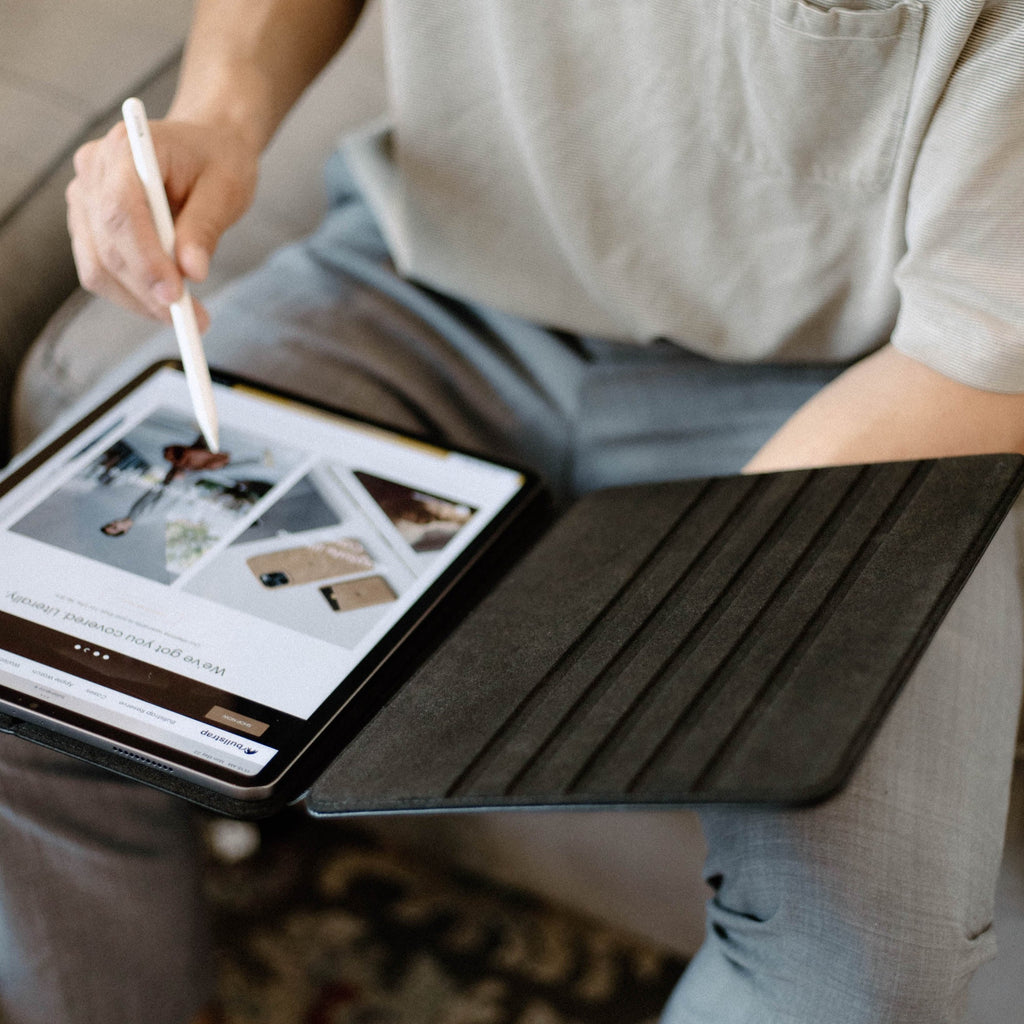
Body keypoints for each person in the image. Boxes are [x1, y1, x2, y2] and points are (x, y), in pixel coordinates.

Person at [4, 0, 1023, 1021]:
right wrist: (220, 110)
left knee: (853, 969)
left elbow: (981, 345)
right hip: (426, 279)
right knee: (26, 692)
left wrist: (684, 604)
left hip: (871, 376)